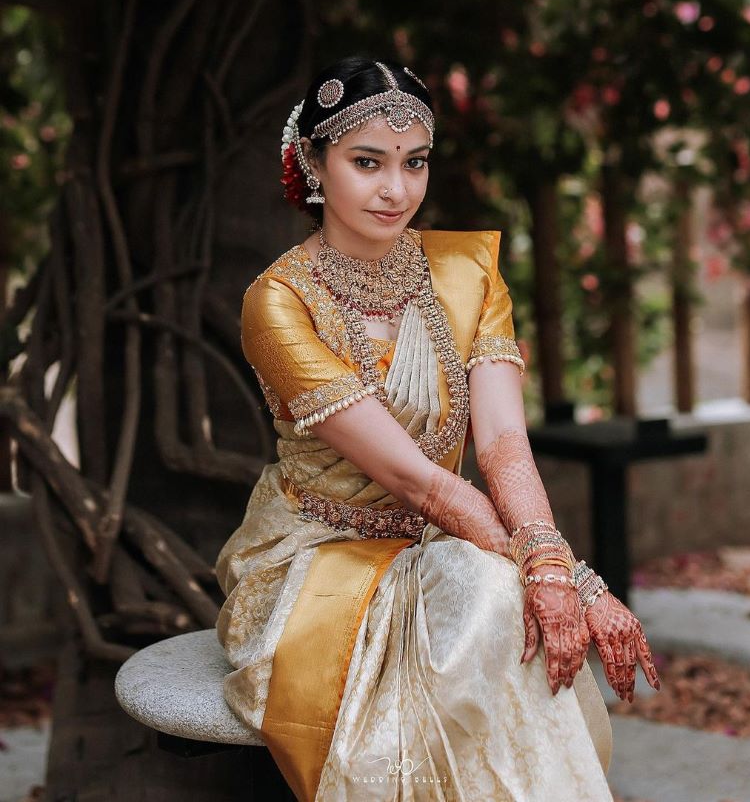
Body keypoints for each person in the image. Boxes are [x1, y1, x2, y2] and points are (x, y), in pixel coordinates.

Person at [215, 56, 661, 801]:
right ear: (314, 164)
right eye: (367, 163)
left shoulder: (467, 272)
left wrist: (548, 565)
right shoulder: (280, 302)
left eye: (414, 163)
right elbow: (417, 480)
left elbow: (501, 443)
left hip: (450, 545)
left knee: (498, 592)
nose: (397, 190)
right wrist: (573, 581)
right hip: (321, 558)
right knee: (498, 596)